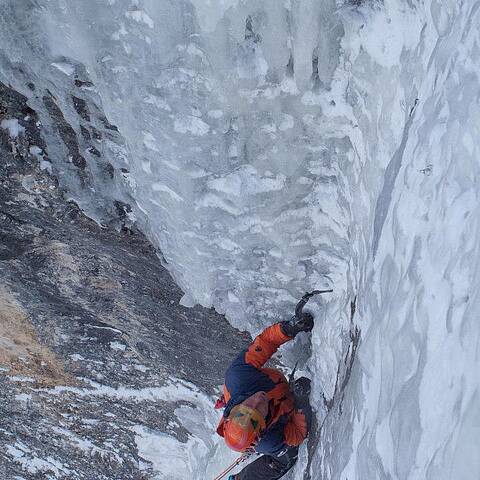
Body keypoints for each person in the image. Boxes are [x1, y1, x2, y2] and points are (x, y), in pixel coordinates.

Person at [215, 292, 318, 480]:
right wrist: (301, 405)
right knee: (285, 460)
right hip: (275, 421)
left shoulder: (239, 377)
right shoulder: (269, 441)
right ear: (262, 426)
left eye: (245, 407)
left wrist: (288, 329)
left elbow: (265, 342)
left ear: (234, 409)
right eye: (257, 412)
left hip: (276, 389)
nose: (256, 400)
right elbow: (297, 434)